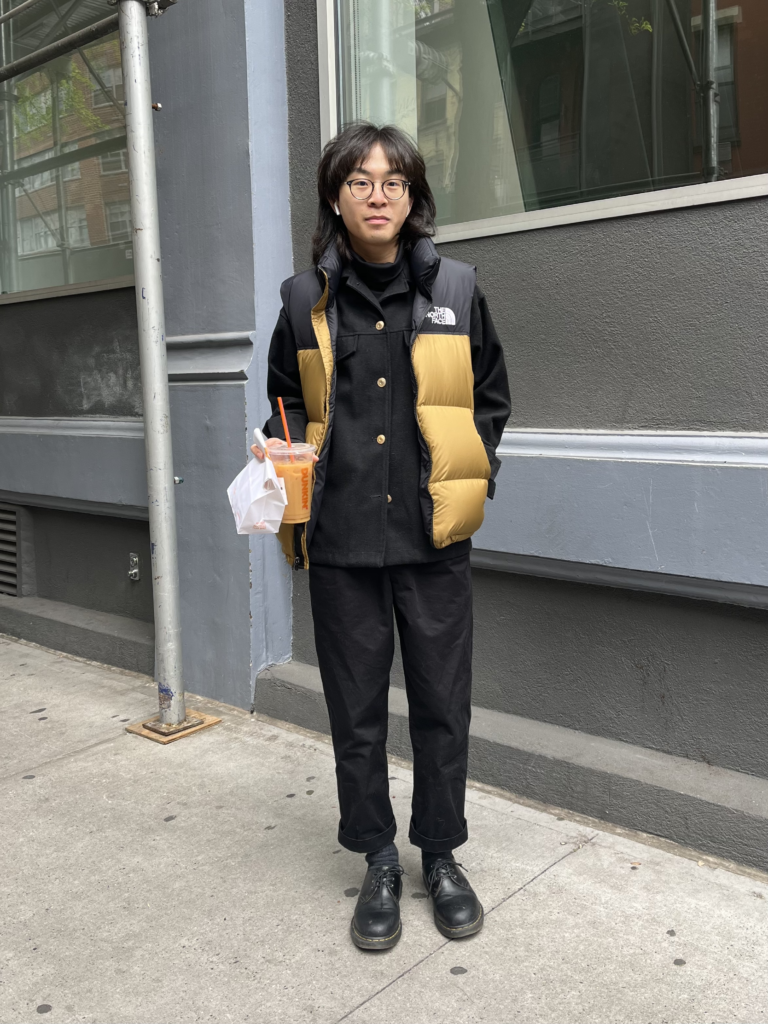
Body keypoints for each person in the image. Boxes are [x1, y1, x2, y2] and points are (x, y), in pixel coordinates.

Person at [255, 122, 511, 951]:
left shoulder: (459, 289)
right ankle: (376, 857)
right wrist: (282, 455)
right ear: (336, 196)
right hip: (340, 548)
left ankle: (439, 854)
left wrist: (474, 476)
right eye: (359, 181)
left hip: (434, 543)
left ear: (412, 196)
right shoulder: (304, 300)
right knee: (356, 715)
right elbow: (284, 402)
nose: (377, 194)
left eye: (392, 181)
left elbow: (492, 400)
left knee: (442, 708)